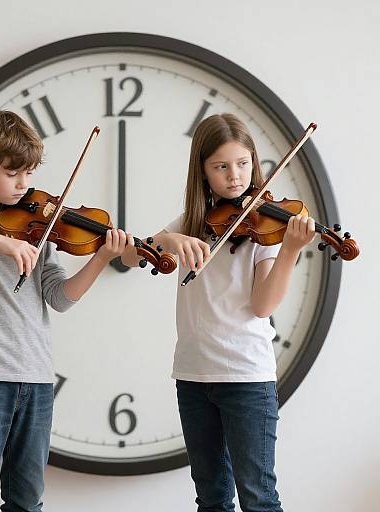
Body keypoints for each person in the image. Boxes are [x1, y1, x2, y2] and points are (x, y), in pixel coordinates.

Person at [0, 110, 132, 512]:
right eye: (12, 173)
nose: (23, 185)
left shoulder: (38, 225)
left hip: (36, 379)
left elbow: (61, 298)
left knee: (27, 501)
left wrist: (101, 258)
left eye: (28, 173)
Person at [122, 113, 315, 512]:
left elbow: (262, 305)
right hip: (193, 377)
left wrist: (292, 250)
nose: (234, 176)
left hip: (246, 376)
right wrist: (170, 239)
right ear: (203, 171)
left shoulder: (267, 228)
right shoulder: (193, 223)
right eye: (221, 166)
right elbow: (127, 256)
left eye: (243, 163)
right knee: (211, 499)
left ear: (254, 163)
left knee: (259, 499)